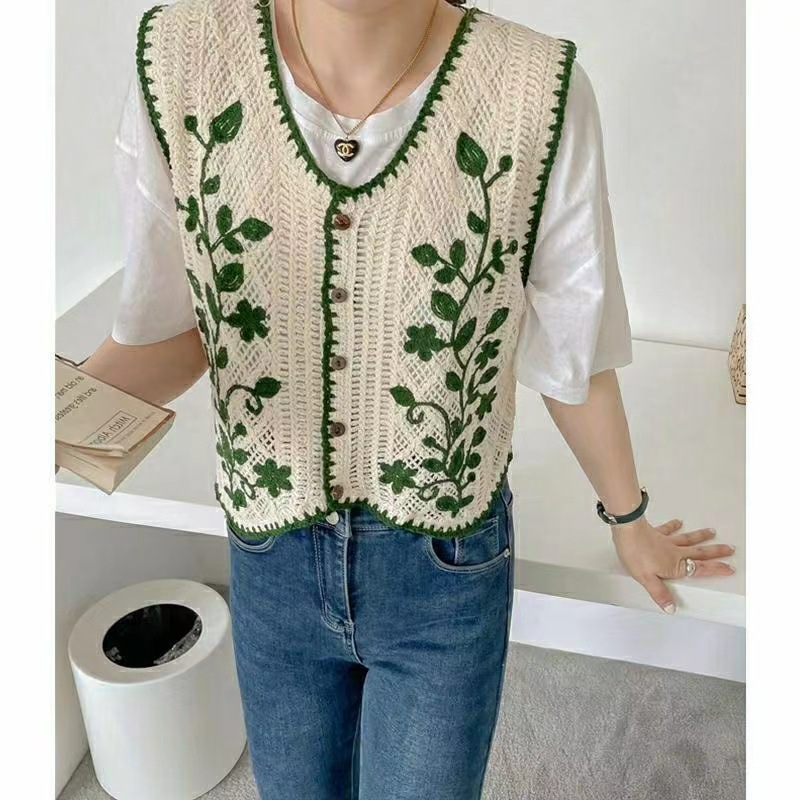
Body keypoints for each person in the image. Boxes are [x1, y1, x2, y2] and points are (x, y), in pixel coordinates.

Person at [72, 0, 736, 797]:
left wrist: (629, 519)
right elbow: (179, 331)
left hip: (443, 569)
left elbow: (575, 344)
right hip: (269, 552)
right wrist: (52, 413)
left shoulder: (535, 88)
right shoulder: (181, 60)